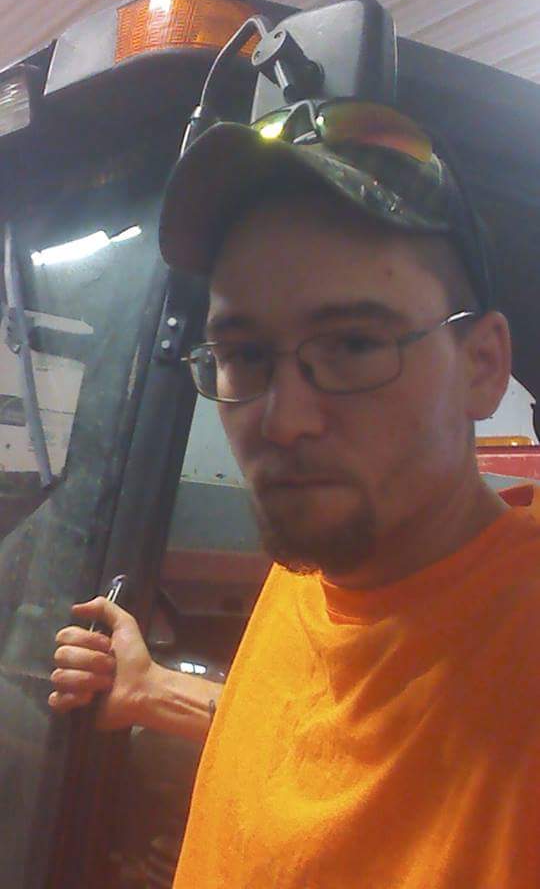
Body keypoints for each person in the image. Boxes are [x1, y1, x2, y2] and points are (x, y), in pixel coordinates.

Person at [49, 100, 540, 888]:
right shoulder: (316, 565)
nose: (283, 422)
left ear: (481, 366)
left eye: (353, 344)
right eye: (244, 353)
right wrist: (153, 694)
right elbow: (329, 749)